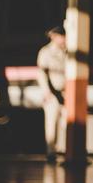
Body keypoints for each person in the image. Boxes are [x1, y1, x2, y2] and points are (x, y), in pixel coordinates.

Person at [37, 26, 67, 162]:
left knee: (66, 122)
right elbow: (41, 73)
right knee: (51, 122)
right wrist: (46, 91)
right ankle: (51, 152)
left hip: (65, 92)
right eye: (61, 36)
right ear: (54, 37)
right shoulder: (46, 52)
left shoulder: (67, 51)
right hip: (52, 93)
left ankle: (64, 150)